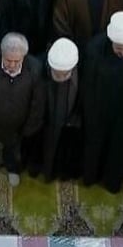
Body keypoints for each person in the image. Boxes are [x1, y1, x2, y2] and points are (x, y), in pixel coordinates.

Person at [81, 11, 123, 193]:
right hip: (98, 109)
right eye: (119, 47)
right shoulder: (94, 49)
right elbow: (87, 86)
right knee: (94, 144)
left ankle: (112, 181)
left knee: (118, 149)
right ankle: (90, 177)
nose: (122, 52)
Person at [0, 32, 44, 187]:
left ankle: (13, 170)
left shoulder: (35, 69)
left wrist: (28, 128)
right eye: (8, 60)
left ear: (24, 56)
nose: (12, 65)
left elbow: (37, 103)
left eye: (16, 61)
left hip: (17, 127)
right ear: (1, 53)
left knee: (14, 153)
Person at [42, 37, 82, 181]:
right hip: (46, 122)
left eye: (64, 74)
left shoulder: (82, 71)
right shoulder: (40, 69)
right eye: (57, 73)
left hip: (69, 121)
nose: (60, 77)